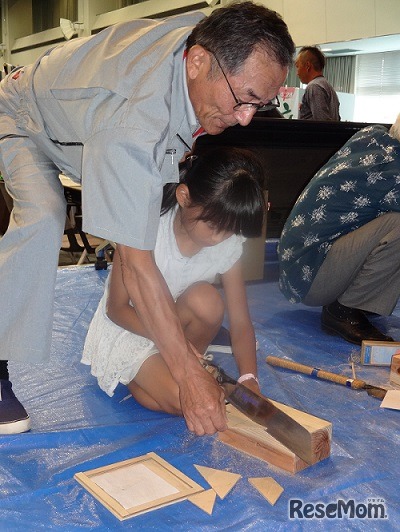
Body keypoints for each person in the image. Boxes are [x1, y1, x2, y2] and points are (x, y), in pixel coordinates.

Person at [0, 2, 295, 435]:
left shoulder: (207, 42)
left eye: (261, 105)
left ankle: (168, 342)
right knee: (45, 216)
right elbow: (137, 265)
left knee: (144, 209)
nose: (245, 119)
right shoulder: (134, 122)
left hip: (85, 124)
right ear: (197, 62)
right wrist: (188, 373)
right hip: (25, 115)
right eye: (244, 100)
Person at [82, 147, 266, 414]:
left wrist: (249, 378)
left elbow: (240, 322)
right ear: (183, 196)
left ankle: (164, 375)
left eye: (230, 229)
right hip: (131, 328)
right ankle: (139, 374)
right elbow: (117, 309)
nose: (219, 238)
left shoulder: (228, 243)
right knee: (193, 402)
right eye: (214, 226)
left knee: (208, 301)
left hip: (176, 330)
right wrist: (176, 343)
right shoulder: (147, 229)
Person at [278, 114, 400, 345]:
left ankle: (360, 300)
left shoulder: (375, 138)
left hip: (301, 264)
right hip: (312, 277)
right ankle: (343, 312)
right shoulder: (393, 171)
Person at [295, 46, 340, 121]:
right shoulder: (327, 86)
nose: (297, 73)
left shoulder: (314, 87)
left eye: (297, 66)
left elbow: (321, 123)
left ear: (307, 66)